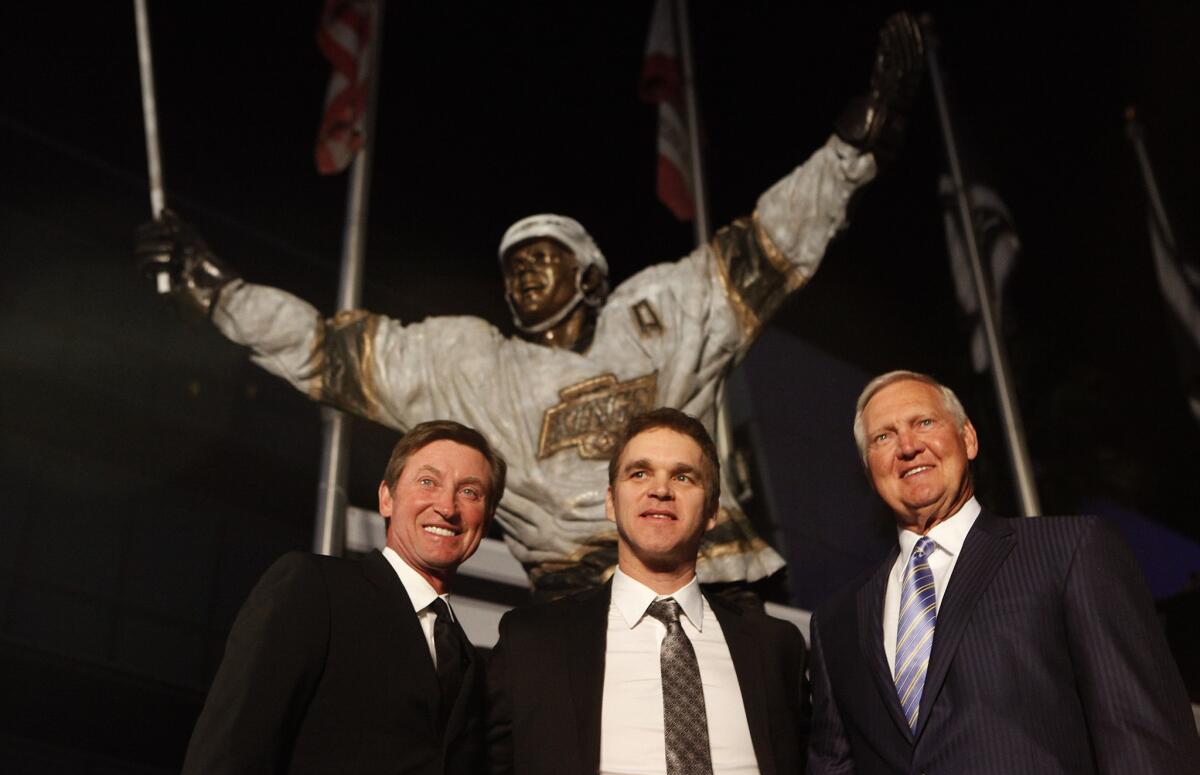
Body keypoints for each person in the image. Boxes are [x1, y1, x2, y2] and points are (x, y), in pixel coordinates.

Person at [136, 14, 924, 597]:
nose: (523, 280)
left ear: (589, 274)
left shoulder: (662, 310)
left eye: (543, 262)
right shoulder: (475, 362)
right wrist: (218, 292)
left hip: (706, 575)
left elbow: (768, 244)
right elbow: (328, 351)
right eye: (513, 268)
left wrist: (850, 152)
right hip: (575, 591)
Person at [806, 370, 1200, 775]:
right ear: (868, 471)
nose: (907, 446)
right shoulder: (836, 622)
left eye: (924, 422)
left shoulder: (1069, 552)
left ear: (968, 440)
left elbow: (1139, 735)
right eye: (883, 437)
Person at [486, 408, 807, 775]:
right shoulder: (533, 640)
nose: (660, 490)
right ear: (610, 501)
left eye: (682, 476)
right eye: (639, 473)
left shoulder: (776, 647)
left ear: (711, 512)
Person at [177, 420, 507, 775]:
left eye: (470, 492)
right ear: (387, 497)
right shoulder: (313, 589)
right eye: (427, 482)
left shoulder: (471, 664)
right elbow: (230, 757)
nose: (447, 507)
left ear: (488, 518)